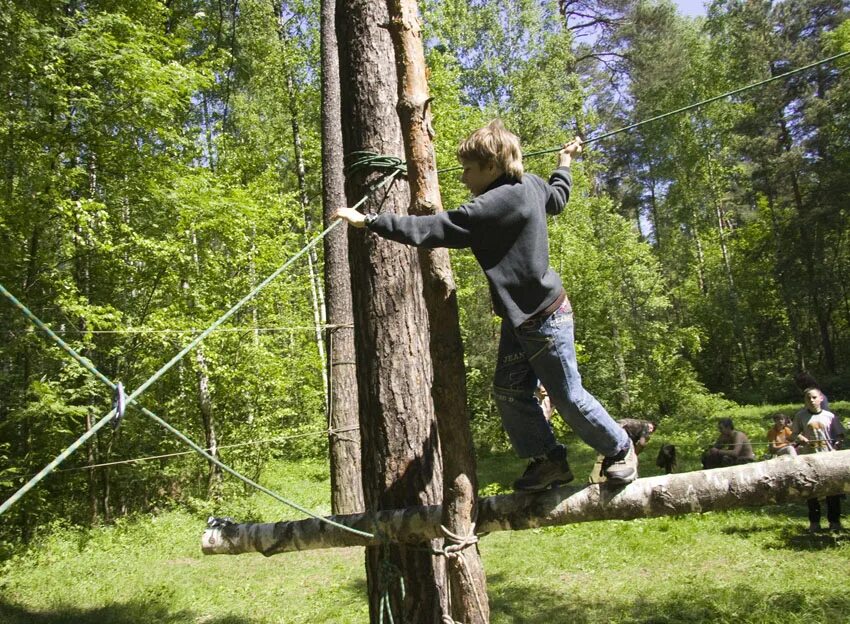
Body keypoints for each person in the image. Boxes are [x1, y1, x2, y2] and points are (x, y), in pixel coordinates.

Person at [334, 120, 637, 491]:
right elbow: (558, 197)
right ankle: (549, 461)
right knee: (509, 390)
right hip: (521, 320)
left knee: (568, 395)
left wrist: (369, 221)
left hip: (544, 319)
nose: (463, 177)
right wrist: (564, 162)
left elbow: (432, 228)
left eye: (468, 169)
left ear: (491, 166)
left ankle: (621, 449)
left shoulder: (491, 205)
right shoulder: (532, 184)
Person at [792, 387, 845, 532]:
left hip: (828, 459)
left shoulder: (830, 416)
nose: (811, 400)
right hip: (809, 459)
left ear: (821, 398)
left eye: (814, 397)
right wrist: (800, 437)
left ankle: (834, 522)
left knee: (832, 492)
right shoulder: (800, 416)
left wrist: (838, 443)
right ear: (805, 400)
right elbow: (793, 434)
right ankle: (814, 523)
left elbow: (839, 435)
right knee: (811, 492)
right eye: (808, 398)